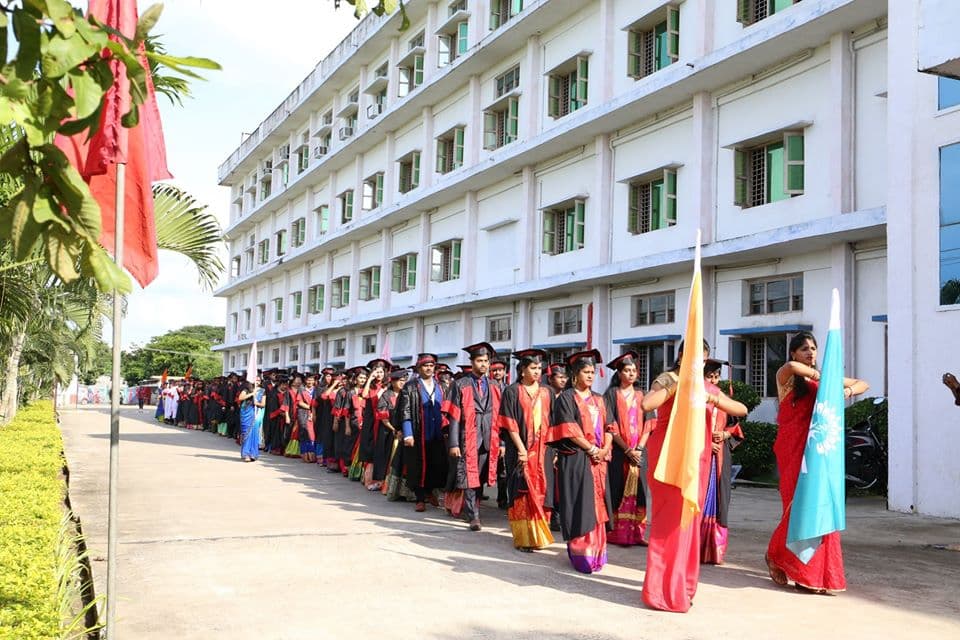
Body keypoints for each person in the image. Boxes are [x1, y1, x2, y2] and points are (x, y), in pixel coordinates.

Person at [640, 340, 747, 613]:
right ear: (680, 357)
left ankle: (683, 585)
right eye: (692, 357)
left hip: (697, 462)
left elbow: (741, 409)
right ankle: (661, 590)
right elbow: (647, 403)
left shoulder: (706, 388)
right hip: (668, 460)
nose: (697, 363)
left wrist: (711, 396)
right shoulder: (669, 379)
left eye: (702, 359)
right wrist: (676, 386)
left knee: (689, 523)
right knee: (669, 523)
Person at [766, 331, 868, 593]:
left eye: (813, 348)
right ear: (793, 352)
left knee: (820, 506)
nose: (810, 352)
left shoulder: (824, 380)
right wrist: (824, 379)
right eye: (803, 349)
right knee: (797, 506)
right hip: (792, 450)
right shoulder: (786, 378)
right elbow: (790, 367)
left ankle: (817, 575)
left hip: (819, 451)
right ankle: (777, 556)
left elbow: (862, 384)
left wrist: (843, 391)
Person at [547, 349, 615, 574]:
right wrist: (591, 448)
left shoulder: (599, 398)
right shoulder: (566, 399)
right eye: (586, 372)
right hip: (576, 459)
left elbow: (609, 427)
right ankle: (582, 554)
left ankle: (598, 553)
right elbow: (569, 430)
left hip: (598, 462)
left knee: (598, 506)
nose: (590, 376)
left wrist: (604, 448)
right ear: (575, 374)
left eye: (592, 372)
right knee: (580, 505)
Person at [498, 349, 555, 551]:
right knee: (521, 492)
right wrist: (521, 449)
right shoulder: (513, 391)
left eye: (539, 368)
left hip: (544, 452)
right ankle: (523, 538)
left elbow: (554, 423)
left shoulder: (547, 392)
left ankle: (539, 535)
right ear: (522, 370)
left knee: (542, 490)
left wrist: (554, 451)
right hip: (520, 451)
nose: (537, 371)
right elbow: (509, 423)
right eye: (533, 368)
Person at [443, 342, 503, 532]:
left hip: (488, 437)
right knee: (470, 475)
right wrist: (453, 443)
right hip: (467, 436)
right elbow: (453, 416)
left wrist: (501, 441)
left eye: (486, 361)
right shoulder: (460, 384)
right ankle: (473, 515)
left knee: (482, 475)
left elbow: (500, 415)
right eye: (479, 361)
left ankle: (474, 506)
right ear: (472, 362)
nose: (483, 364)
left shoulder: (494, 385)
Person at [603, 351, 651, 546]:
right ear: (619, 374)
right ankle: (617, 534)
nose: (631, 374)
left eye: (634, 371)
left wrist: (638, 448)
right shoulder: (610, 395)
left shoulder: (643, 395)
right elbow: (609, 425)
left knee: (640, 492)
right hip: (618, 452)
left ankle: (637, 534)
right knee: (617, 489)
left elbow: (649, 424)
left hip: (639, 453)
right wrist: (627, 450)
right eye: (627, 370)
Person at [701, 359, 746, 564]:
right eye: (709, 376)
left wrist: (725, 436)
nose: (713, 380)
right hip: (701, 455)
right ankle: (696, 548)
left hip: (720, 459)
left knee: (721, 499)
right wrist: (708, 443)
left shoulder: (723, 398)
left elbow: (735, 428)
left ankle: (715, 550)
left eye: (716, 376)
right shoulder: (696, 399)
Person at [397, 353, 449, 513]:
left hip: (437, 433)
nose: (428, 368)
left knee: (437, 464)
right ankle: (420, 498)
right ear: (419, 368)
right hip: (419, 432)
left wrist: (447, 429)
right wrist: (408, 433)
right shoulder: (411, 386)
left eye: (431, 365)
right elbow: (404, 410)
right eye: (425, 365)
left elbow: (447, 408)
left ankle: (430, 492)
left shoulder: (441, 386)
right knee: (418, 465)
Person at [545, 363, 568, 532]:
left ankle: (560, 515)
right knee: (550, 484)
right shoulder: (544, 396)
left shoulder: (567, 398)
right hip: (548, 445)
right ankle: (552, 516)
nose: (563, 380)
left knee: (561, 484)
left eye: (565, 377)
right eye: (559, 377)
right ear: (550, 379)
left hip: (564, 445)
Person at [360, 359, 389, 488]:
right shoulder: (371, 386)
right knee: (370, 448)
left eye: (381, 371)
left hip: (384, 420)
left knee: (382, 449)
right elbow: (364, 395)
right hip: (371, 420)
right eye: (376, 372)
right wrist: (370, 379)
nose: (379, 374)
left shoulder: (387, 385)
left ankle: (381, 480)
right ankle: (370, 479)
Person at [237, 381, 261, 462]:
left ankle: (253, 453)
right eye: (256, 380)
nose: (257, 382)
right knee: (247, 433)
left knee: (254, 433)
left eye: (259, 380)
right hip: (246, 412)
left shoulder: (262, 391)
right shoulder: (246, 390)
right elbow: (240, 398)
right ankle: (246, 454)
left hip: (256, 412)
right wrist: (252, 394)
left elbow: (263, 403)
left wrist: (257, 403)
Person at [296, 374, 318, 463]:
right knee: (304, 433)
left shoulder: (316, 390)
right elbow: (299, 402)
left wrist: (314, 410)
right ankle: (305, 453)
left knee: (312, 434)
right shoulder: (301, 389)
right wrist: (310, 407)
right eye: (308, 380)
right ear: (305, 380)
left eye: (312, 380)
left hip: (315, 413)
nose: (310, 382)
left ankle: (312, 453)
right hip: (303, 413)